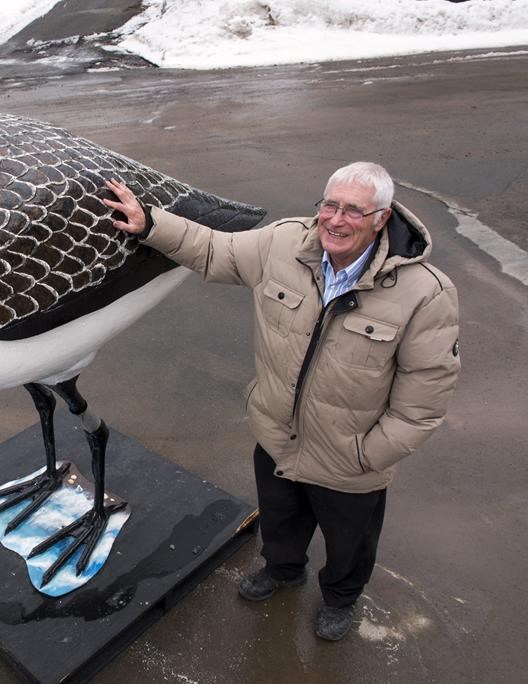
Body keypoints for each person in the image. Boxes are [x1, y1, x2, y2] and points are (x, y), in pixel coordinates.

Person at [102, 162, 460, 641]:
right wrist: (151, 222)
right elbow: (215, 250)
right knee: (280, 519)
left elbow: (424, 398)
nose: (335, 219)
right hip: (277, 435)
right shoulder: (283, 244)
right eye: (329, 204)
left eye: (354, 210)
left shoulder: (426, 294)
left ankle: (340, 598)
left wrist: (368, 454)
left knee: (349, 543)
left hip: (350, 459)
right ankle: (284, 570)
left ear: (382, 217)